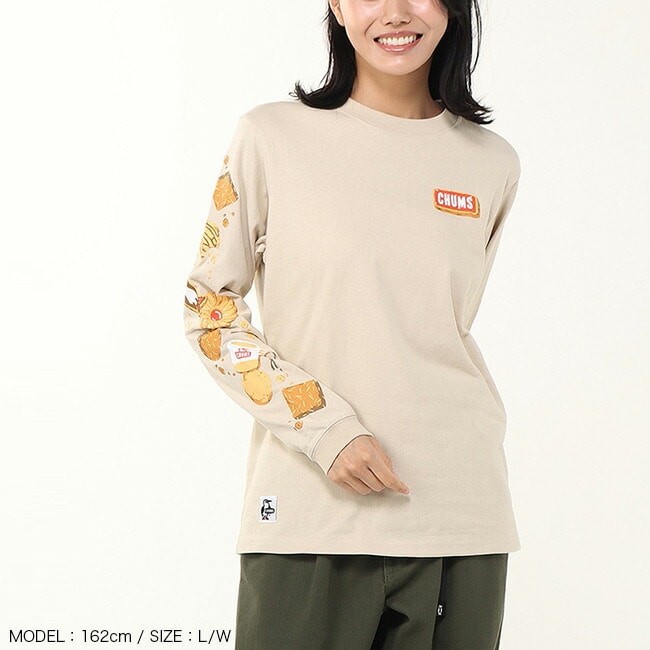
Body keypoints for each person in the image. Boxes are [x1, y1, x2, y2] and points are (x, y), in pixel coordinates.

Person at [182, 0, 521, 647]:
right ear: (337, 5)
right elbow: (209, 310)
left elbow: (440, 325)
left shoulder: (492, 161)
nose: (394, 12)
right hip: (311, 515)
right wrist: (324, 428)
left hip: (462, 516)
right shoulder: (270, 137)